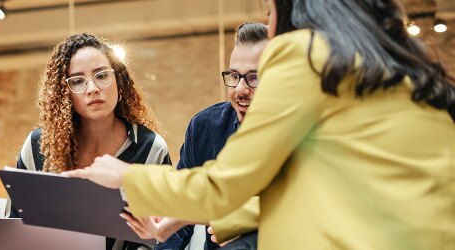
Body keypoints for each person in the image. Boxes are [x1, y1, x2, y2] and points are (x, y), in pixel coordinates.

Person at [64, 0, 455, 249]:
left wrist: (126, 176)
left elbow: (223, 186)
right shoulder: (408, 72)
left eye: (270, 11)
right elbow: (325, 189)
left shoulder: (305, 56)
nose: (271, 26)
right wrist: (182, 219)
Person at [12, 33, 171, 250]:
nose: (92, 88)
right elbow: (15, 227)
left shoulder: (151, 148)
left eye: (102, 75)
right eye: (78, 81)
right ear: (64, 93)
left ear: (119, 80)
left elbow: (163, 238)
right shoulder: (37, 146)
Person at [129, 22, 269, 250]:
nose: (240, 89)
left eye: (254, 77)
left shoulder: (302, 134)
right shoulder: (205, 127)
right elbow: (180, 206)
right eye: (234, 76)